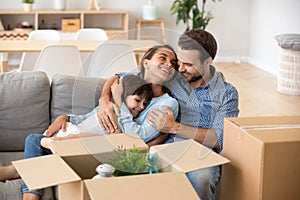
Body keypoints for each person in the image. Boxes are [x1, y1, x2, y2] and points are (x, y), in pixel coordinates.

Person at [0, 44, 179, 200]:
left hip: (112, 148)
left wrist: (118, 102)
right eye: (163, 58)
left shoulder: (167, 103)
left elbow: (136, 137)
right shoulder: (133, 82)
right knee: (33, 139)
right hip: (91, 137)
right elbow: (116, 80)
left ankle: (22, 179)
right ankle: (18, 172)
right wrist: (70, 116)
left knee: (86, 139)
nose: (169, 64)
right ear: (145, 62)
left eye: (173, 63)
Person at [97, 29, 239, 200]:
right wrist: (104, 100)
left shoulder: (226, 93)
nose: (180, 68)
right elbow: (121, 77)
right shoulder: (173, 75)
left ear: (207, 61)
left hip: (199, 154)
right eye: (179, 61)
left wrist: (174, 127)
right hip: (161, 149)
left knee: (203, 178)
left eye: (188, 64)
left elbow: (220, 139)